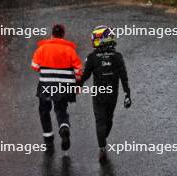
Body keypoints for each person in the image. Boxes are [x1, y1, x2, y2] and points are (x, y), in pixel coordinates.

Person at [79, 25, 132, 163]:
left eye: (95, 39)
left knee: (100, 122)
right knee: (108, 120)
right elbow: (123, 77)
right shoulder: (117, 56)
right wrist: (127, 95)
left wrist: (74, 88)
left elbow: (84, 76)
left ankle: (102, 147)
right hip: (112, 95)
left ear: (102, 40)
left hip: (99, 95)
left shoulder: (91, 57)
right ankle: (103, 140)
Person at [31, 24, 82, 155]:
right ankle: (64, 127)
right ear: (63, 35)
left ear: (52, 34)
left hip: (46, 85)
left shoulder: (42, 48)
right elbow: (78, 70)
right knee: (61, 110)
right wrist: (77, 83)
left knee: (44, 110)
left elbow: (35, 66)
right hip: (64, 86)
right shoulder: (70, 50)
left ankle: (48, 140)